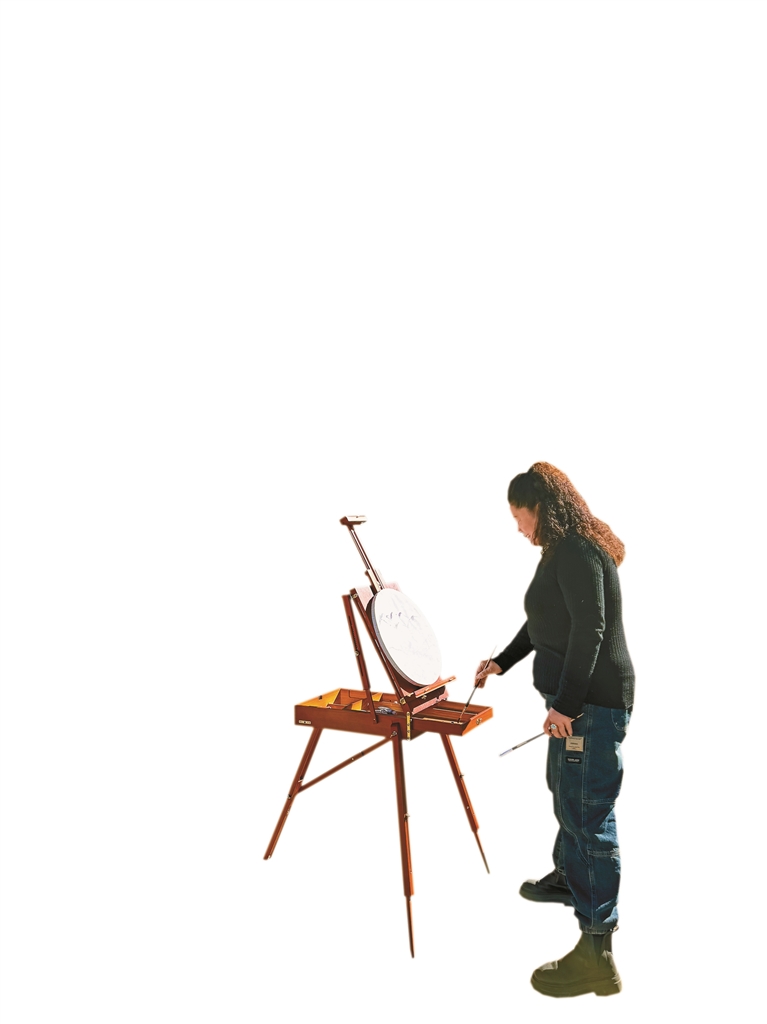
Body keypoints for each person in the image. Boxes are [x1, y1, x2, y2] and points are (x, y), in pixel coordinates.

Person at [475, 462, 634, 998]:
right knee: (564, 790)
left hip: (589, 706)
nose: (518, 527)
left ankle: (597, 954)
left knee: (588, 813)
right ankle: (569, 875)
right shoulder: (562, 551)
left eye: (519, 516)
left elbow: (590, 629)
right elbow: (544, 620)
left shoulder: (576, 551)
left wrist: (565, 705)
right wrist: (503, 661)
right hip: (576, 705)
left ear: (540, 507)